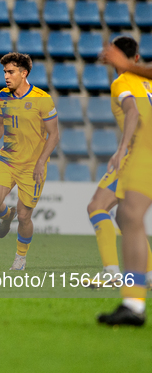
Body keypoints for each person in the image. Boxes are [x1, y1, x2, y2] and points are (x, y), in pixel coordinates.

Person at [0, 52, 60, 271]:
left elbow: (54, 135)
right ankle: (6, 214)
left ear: (24, 73)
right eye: (4, 72)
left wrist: (41, 162)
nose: (6, 76)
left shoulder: (41, 99)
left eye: (10, 72)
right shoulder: (3, 95)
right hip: (8, 159)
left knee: (24, 217)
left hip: (32, 166)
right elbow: (0, 125)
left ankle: (20, 257)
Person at [85, 37, 152, 290]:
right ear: (137, 58)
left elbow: (132, 111)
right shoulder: (147, 81)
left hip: (136, 154)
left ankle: (111, 272)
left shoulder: (122, 81)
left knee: (97, 206)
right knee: (128, 218)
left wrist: (122, 148)